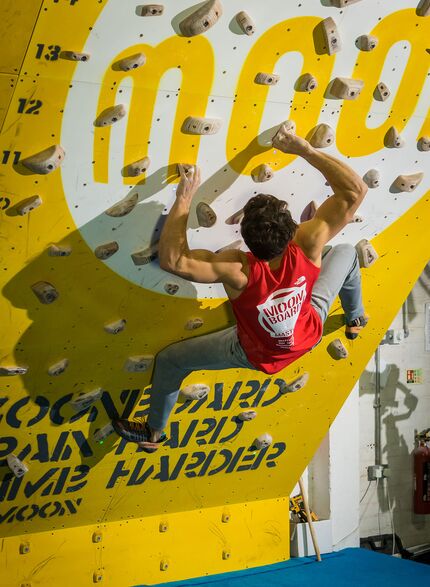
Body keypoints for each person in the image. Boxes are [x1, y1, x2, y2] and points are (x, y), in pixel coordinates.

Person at [113, 125, 368, 452]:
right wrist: (305, 149)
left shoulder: (238, 269)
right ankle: (356, 317)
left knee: (171, 361)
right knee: (346, 253)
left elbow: (175, 261)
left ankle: (153, 433)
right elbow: (354, 191)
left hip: (254, 351)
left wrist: (184, 199)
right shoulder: (308, 243)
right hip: (307, 331)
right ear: (293, 229)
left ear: (246, 240)